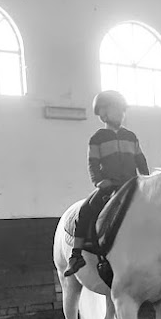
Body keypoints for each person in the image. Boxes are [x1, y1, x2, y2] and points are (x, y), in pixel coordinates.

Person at [64, 90, 150, 277]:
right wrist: (99, 181)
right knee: (86, 209)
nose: (121, 114)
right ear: (103, 113)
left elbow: (140, 159)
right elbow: (93, 163)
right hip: (110, 185)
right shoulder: (97, 138)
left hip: (132, 183)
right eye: (116, 110)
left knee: (157, 208)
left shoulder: (130, 136)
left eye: (122, 110)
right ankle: (76, 254)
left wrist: (147, 177)